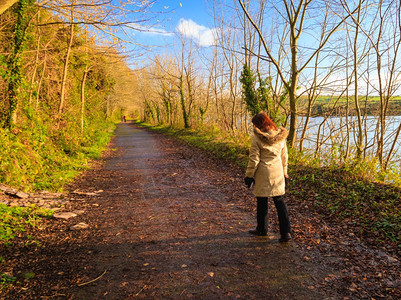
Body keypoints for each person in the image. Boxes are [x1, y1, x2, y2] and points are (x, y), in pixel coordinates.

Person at [244, 112, 292, 242]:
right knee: (279, 202)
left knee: (262, 201)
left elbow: (254, 159)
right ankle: (286, 232)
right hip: (277, 172)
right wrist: (285, 172)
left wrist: (249, 175)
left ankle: (262, 229)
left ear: (259, 125)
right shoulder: (281, 137)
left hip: (263, 173)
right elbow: (284, 157)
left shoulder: (257, 138)